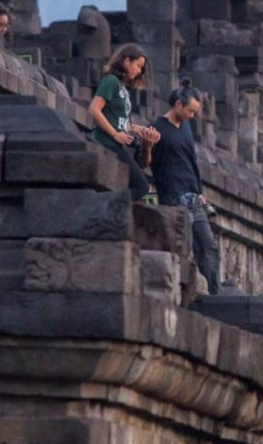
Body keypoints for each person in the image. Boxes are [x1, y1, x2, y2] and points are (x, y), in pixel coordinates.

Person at [143, 78, 221, 295]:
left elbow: (191, 162)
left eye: (195, 112)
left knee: (208, 246)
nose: (192, 116)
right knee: (181, 246)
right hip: (173, 198)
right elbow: (144, 163)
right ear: (178, 104)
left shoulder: (186, 128)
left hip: (193, 197)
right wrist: (148, 146)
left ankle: (215, 292)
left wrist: (200, 192)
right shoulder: (156, 127)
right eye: (190, 111)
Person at [87, 43, 160, 202]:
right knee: (141, 187)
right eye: (138, 66)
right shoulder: (111, 81)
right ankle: (105, 205)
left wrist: (139, 130)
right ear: (127, 61)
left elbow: (120, 122)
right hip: (106, 141)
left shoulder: (122, 87)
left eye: (142, 68)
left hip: (118, 144)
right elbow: (94, 109)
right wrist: (114, 134)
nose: (139, 71)